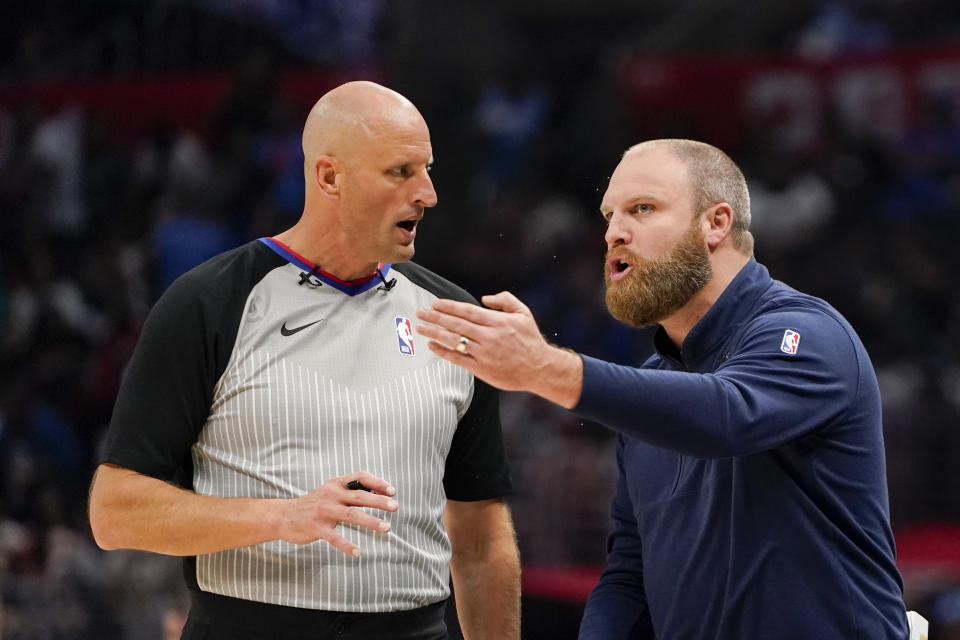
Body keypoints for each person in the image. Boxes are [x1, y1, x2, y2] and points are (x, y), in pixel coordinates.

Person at [416, 138, 909, 638]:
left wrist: (545, 368)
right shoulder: (654, 387)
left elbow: (727, 416)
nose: (614, 233)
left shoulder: (808, 334)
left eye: (642, 209)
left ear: (716, 223)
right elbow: (631, 577)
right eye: (609, 215)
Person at [88, 81, 520, 640]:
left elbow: (482, 534)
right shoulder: (211, 302)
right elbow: (114, 511)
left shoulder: (455, 317)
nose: (428, 193)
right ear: (329, 177)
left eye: (427, 170)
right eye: (400, 171)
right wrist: (278, 517)